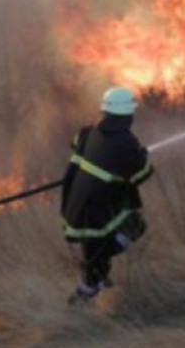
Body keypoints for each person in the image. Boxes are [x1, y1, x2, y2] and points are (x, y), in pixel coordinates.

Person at [60, 86, 154, 305]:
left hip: (76, 208)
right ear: (128, 115)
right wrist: (143, 155)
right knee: (135, 226)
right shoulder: (125, 143)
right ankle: (91, 281)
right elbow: (142, 173)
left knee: (92, 248)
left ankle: (91, 281)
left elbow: (74, 142)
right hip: (99, 211)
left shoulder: (88, 132)